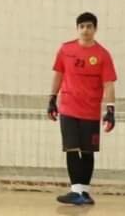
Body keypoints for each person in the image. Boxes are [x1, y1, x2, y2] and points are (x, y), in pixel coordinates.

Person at [48, 12, 117, 205]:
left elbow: (109, 84)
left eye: (89, 26)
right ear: (77, 29)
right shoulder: (65, 49)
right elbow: (58, 74)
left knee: (87, 151)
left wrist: (110, 110)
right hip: (68, 109)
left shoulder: (102, 55)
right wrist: (52, 99)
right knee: (71, 148)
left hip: (90, 111)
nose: (85, 30)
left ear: (95, 29)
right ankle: (76, 191)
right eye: (82, 26)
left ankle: (84, 193)